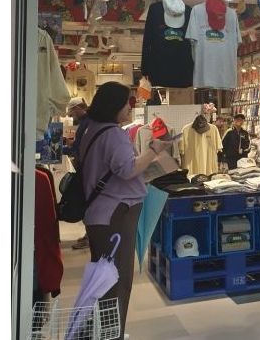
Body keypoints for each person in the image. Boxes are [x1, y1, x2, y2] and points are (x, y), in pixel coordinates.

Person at [79, 81, 172, 340]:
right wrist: (153, 150)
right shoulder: (113, 134)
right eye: (126, 103)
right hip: (115, 215)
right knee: (117, 280)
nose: (130, 108)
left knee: (104, 278)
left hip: (102, 214)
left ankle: (106, 330)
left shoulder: (92, 129)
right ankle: (112, 334)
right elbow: (128, 169)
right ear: (114, 105)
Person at [63, 98, 92, 249]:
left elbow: (79, 147)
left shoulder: (86, 123)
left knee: (86, 202)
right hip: (86, 168)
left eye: (72, 111)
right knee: (87, 202)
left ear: (78, 108)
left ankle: (90, 237)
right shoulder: (87, 122)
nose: (71, 115)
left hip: (85, 169)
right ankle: (89, 235)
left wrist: (64, 149)